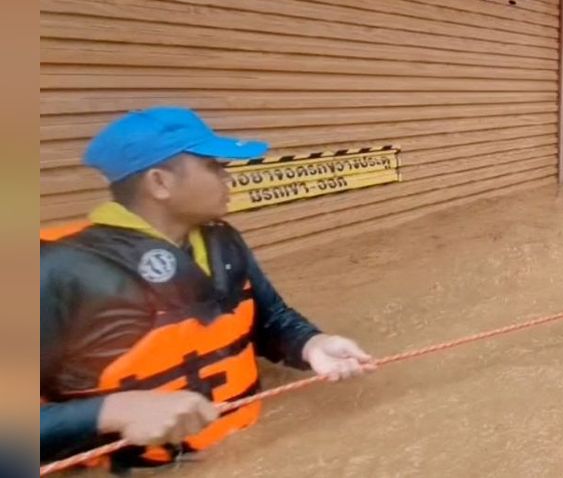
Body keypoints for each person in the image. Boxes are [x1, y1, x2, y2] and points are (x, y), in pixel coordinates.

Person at [41, 108, 376, 470]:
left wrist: (311, 344)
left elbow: (270, 319)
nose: (227, 175)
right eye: (213, 165)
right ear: (160, 183)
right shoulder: (57, 269)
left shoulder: (222, 241)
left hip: (249, 448)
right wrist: (111, 411)